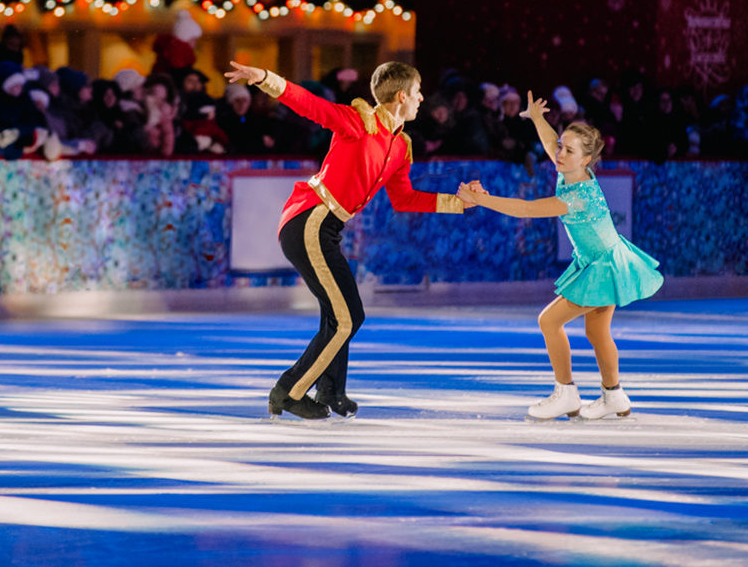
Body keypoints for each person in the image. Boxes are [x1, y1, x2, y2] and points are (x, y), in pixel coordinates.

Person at [224, 60, 469, 420]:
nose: (421, 99)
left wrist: (458, 202)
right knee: (346, 317)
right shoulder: (358, 121)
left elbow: (403, 199)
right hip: (309, 219)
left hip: (327, 228)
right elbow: (309, 104)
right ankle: (288, 391)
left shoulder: (400, 146)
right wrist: (264, 79)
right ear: (402, 96)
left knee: (339, 314)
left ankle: (332, 391)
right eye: (417, 93)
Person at [457, 91, 664, 421]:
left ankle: (566, 393)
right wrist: (539, 120)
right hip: (604, 260)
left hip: (603, 266)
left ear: (584, 160)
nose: (559, 153)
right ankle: (614, 396)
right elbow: (552, 141)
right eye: (560, 148)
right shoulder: (572, 173)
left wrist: (482, 200)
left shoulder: (578, 195)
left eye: (568, 151)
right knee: (597, 332)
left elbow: (526, 208)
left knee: (548, 321)